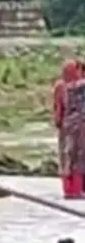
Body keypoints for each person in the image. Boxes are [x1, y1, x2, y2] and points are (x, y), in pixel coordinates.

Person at [53, 60, 85, 199]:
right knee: (79, 159)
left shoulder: (60, 86)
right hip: (81, 126)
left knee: (66, 158)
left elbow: (58, 108)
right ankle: (77, 189)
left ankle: (68, 190)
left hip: (66, 127)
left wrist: (59, 122)